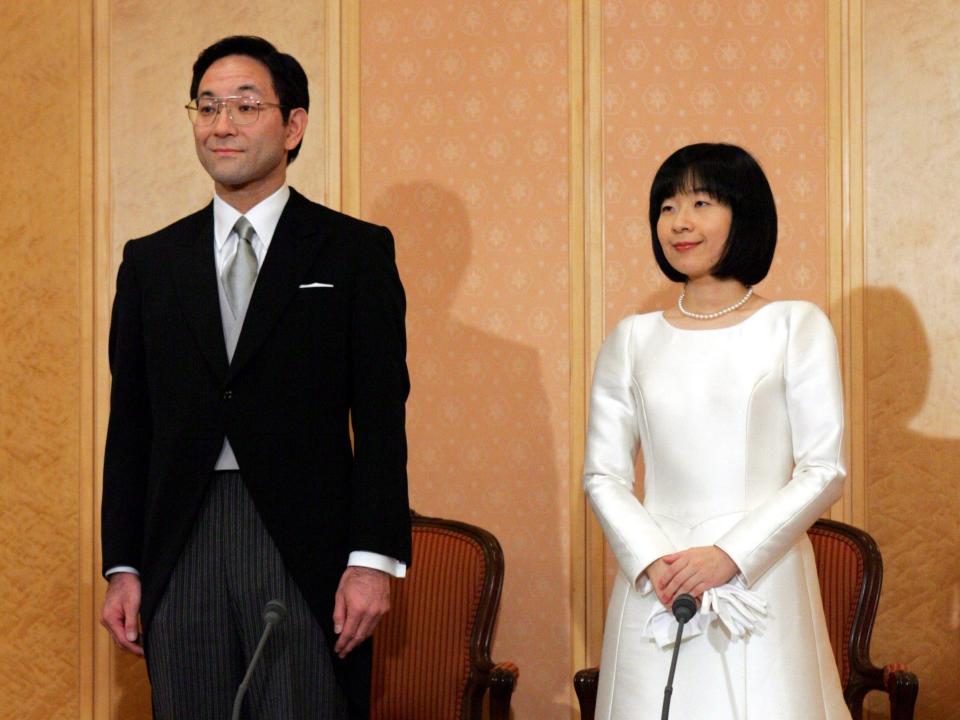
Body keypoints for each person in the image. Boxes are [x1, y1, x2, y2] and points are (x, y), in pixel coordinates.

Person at [99, 36, 411, 720]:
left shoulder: (354, 251)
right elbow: (131, 426)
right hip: (180, 541)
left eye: (245, 105)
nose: (222, 124)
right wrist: (122, 565)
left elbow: (383, 420)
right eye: (207, 107)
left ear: (293, 125)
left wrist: (373, 559)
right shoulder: (151, 262)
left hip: (304, 544)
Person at [583, 143, 850, 719]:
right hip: (656, 581)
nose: (679, 221)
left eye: (701, 202)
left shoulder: (795, 326)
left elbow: (824, 469)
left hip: (760, 577)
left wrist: (730, 555)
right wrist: (654, 559)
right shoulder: (630, 339)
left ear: (744, 214)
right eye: (667, 206)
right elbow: (603, 474)